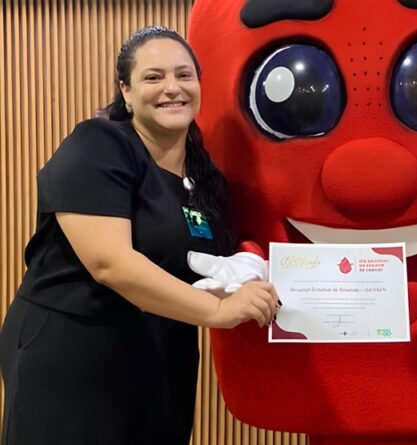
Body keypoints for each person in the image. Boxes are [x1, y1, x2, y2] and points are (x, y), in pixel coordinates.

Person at [0, 26, 279, 444]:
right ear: (125, 91)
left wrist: (247, 270)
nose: (172, 88)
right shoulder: (97, 145)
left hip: (162, 360)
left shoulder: (204, 177)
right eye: (153, 77)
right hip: (76, 355)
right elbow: (110, 263)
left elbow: (210, 264)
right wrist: (217, 312)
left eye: (184, 75)